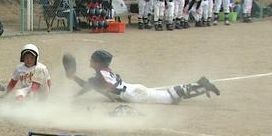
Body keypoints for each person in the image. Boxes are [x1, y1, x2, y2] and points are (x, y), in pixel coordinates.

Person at [65, 50, 220, 105]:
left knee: (170, 97)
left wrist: (73, 80)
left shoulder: (99, 77)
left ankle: (201, 85)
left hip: (133, 94)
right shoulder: (105, 71)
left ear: (98, 63)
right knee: (167, 96)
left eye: (92, 60)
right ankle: (199, 85)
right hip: (132, 89)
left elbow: (88, 87)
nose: (90, 61)